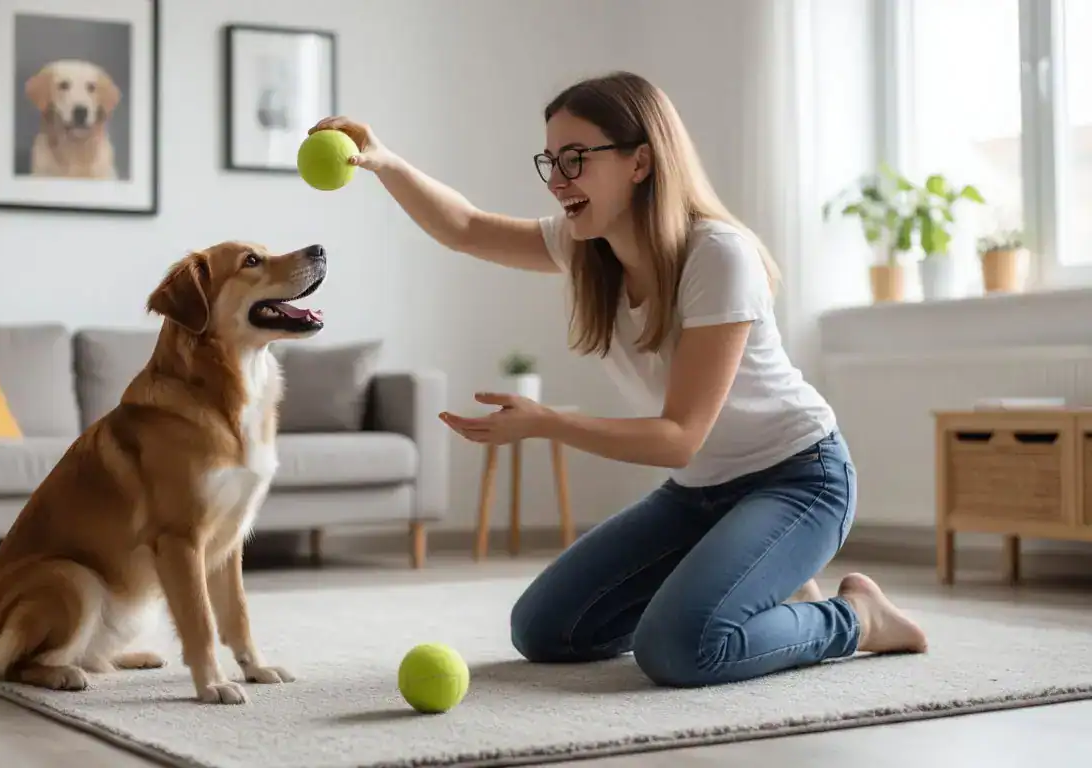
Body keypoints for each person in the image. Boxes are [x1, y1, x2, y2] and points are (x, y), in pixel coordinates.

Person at [308, 71, 927, 688]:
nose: (556, 181)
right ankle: (764, 586)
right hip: (701, 494)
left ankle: (855, 617)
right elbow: (465, 228)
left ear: (640, 162)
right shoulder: (585, 249)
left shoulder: (717, 255)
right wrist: (384, 163)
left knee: (680, 648)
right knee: (545, 630)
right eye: (550, 161)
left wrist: (547, 422)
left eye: (575, 159)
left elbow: (679, 436)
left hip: (798, 479)